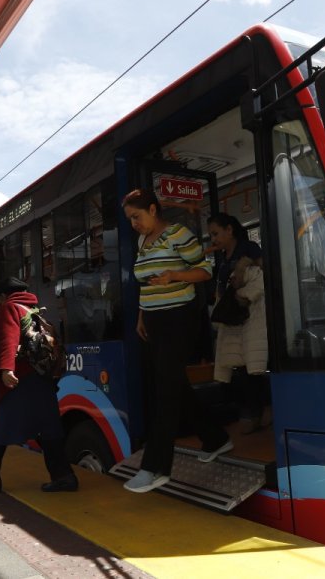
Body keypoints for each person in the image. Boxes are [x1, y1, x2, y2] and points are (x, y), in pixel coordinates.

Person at [121, 189, 231, 494]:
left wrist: (175, 275)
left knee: (164, 392)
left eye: (137, 216)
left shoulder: (178, 234)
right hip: (154, 321)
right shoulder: (143, 242)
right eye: (130, 219)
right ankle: (216, 438)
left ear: (153, 210)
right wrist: (142, 316)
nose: (134, 224)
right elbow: (145, 283)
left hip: (179, 319)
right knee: (174, 386)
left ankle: (155, 468)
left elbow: (206, 270)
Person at [0, 278, 78, 494]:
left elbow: (8, 340)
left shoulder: (9, 308)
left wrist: (6, 369)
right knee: (48, 428)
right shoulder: (34, 310)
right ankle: (64, 476)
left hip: (20, 379)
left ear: (2, 296)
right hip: (41, 378)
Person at [207, 213, 268, 434]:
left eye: (215, 233)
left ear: (229, 230)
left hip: (251, 315)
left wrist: (243, 291)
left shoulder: (248, 248)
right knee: (239, 366)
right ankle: (251, 413)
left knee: (253, 366)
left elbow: (264, 276)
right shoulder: (224, 257)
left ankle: (256, 414)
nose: (213, 239)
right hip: (233, 318)